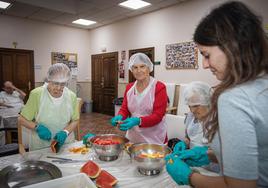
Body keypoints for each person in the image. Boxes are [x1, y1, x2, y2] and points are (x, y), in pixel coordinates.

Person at [165, 1, 268, 187]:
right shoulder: (261, 84)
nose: (204, 64)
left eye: (206, 55)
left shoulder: (234, 98)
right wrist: (208, 155)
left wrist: (189, 177)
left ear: (232, 46)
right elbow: (256, 155)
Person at [18, 63, 79, 151]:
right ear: (49, 80)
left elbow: (75, 120)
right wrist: (37, 128)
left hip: (65, 144)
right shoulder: (37, 94)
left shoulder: (71, 96)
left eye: (62, 84)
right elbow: (21, 119)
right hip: (41, 146)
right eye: (55, 83)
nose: (58, 88)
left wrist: (65, 132)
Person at [110, 53, 168, 144]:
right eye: (135, 67)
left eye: (142, 66)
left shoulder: (159, 87)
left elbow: (158, 116)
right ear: (131, 70)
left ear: (149, 68)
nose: (139, 70)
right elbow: (125, 109)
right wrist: (120, 116)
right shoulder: (129, 87)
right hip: (134, 137)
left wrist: (138, 121)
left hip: (154, 138)